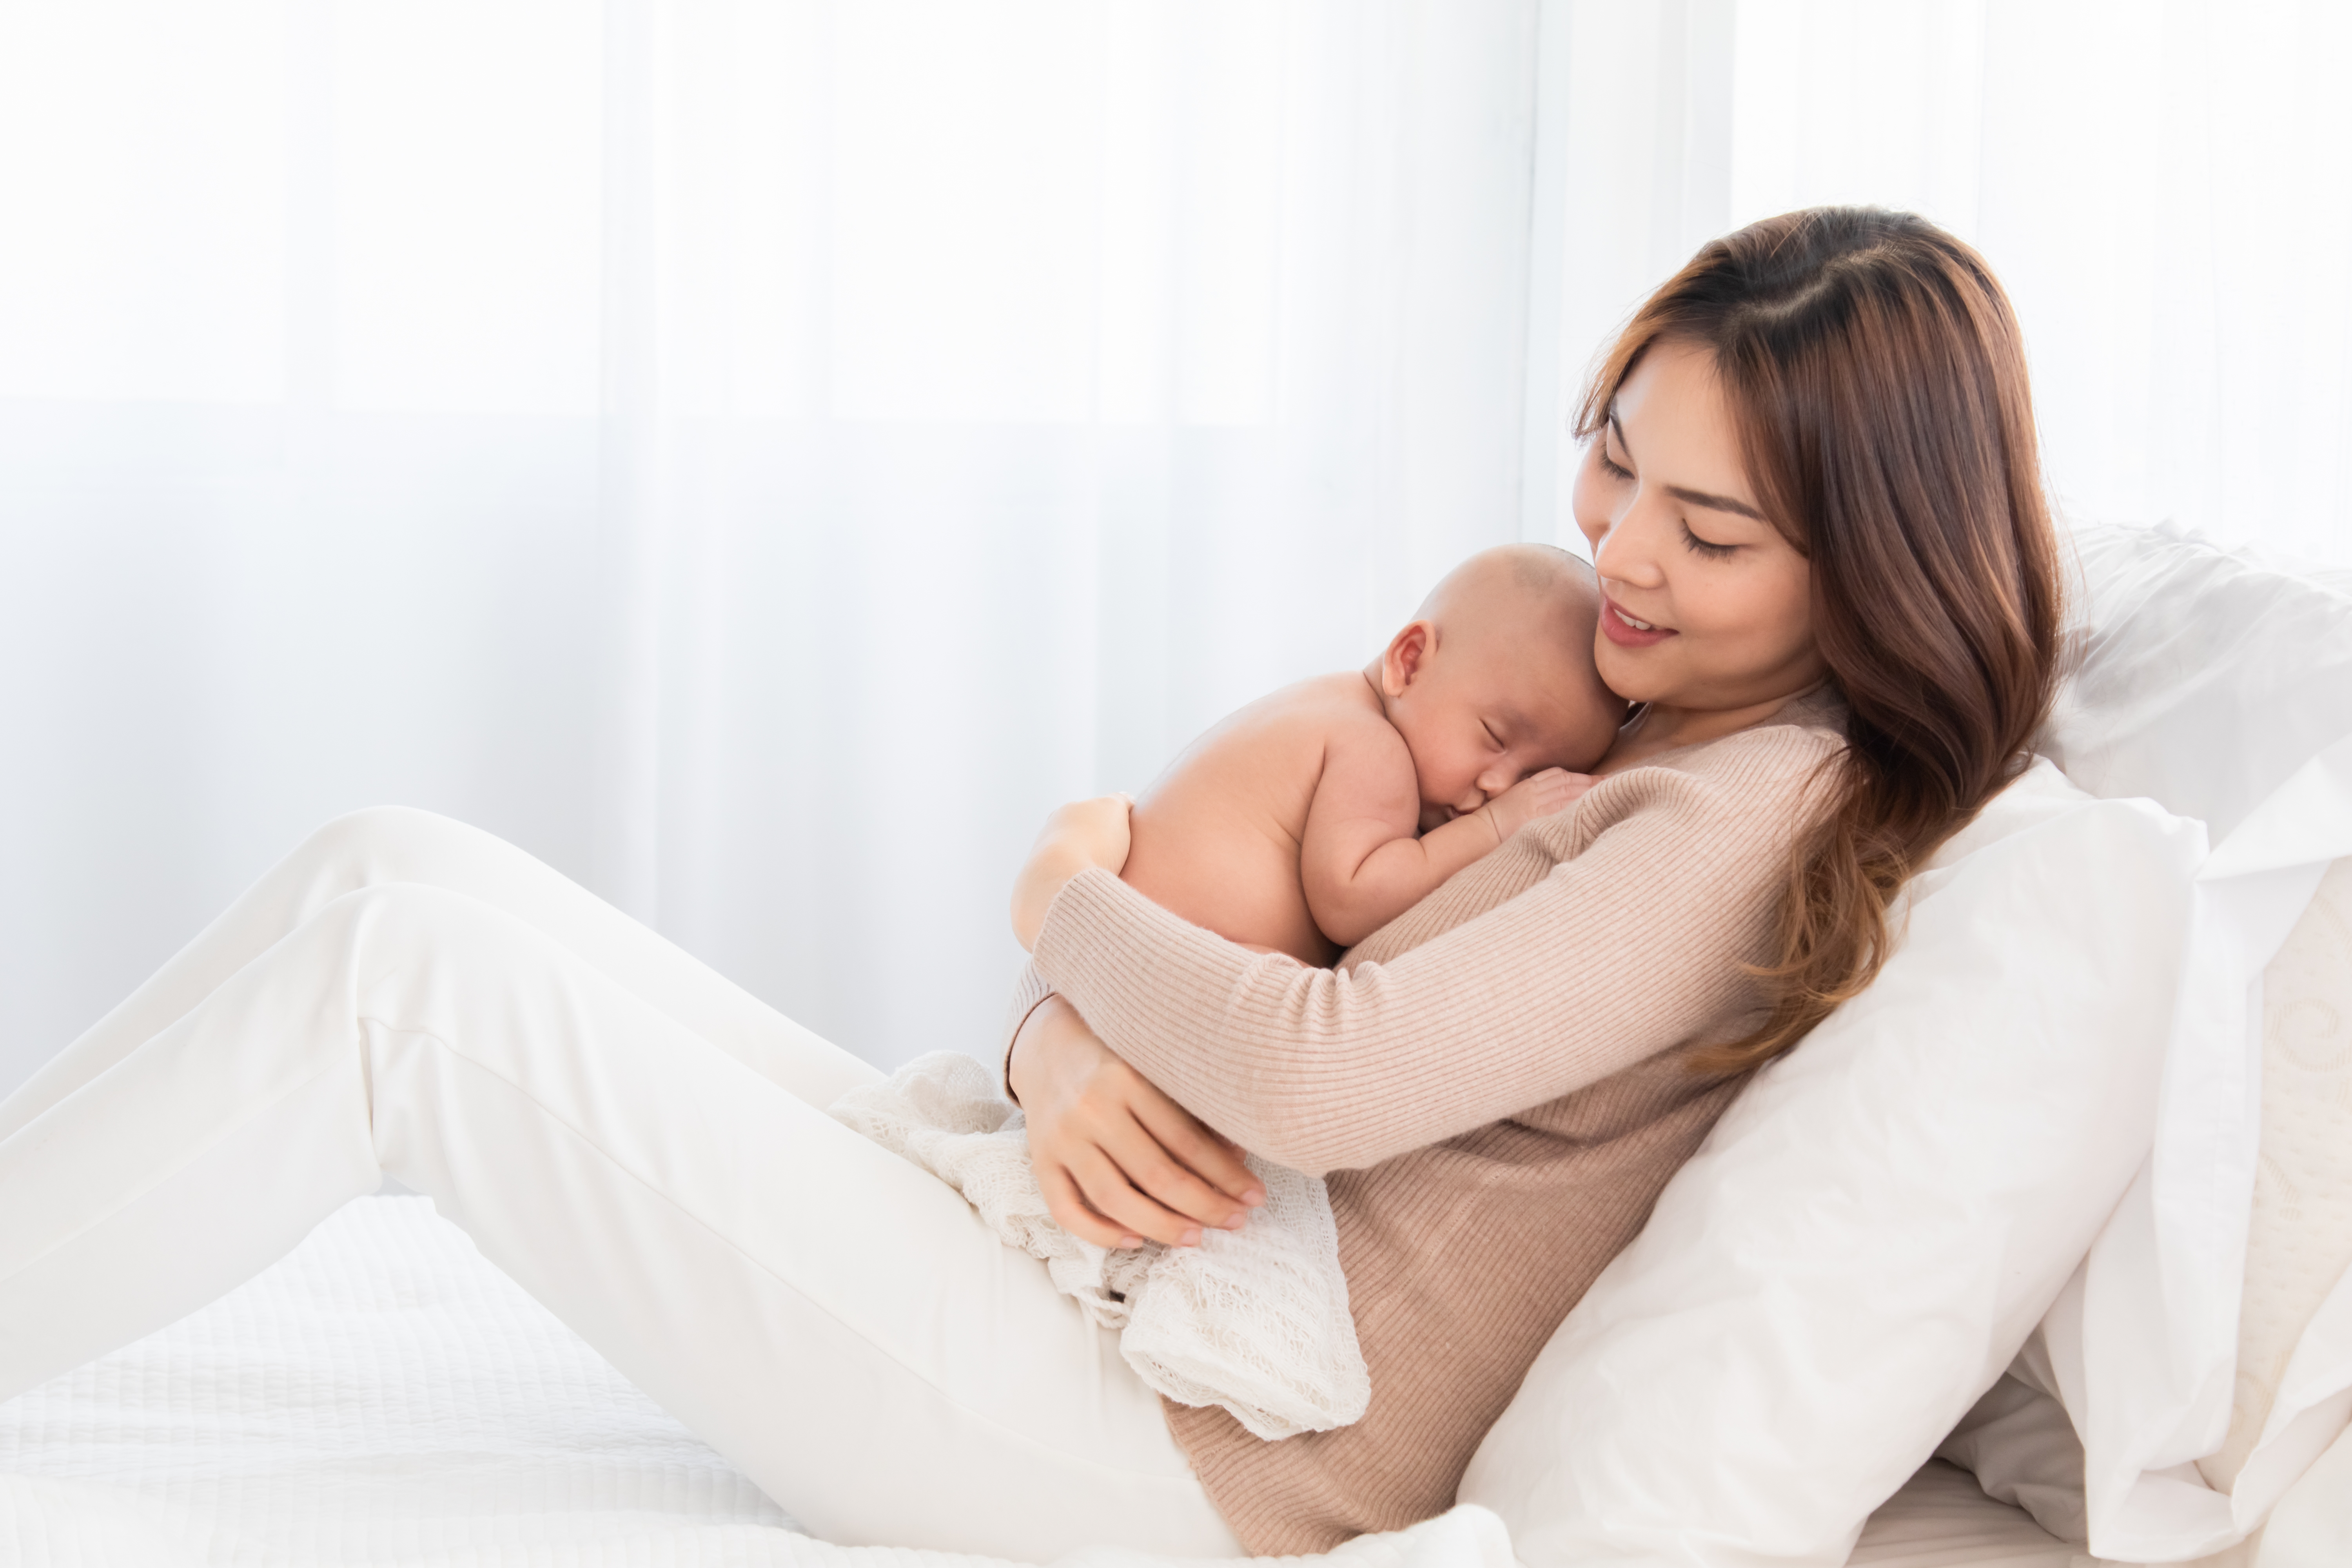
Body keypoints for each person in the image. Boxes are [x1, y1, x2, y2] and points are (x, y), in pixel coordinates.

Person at [0, 207, 2063, 1560]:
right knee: (399, 870)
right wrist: (1073, 1034)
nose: (1620, 551)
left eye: (1710, 533)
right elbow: (1268, 998)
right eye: (1615, 458)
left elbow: (1326, 1077)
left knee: (407, 985)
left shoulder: (1746, 811)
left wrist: (1060, 890)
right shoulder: (1651, 728)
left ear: (1873, 562)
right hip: (1105, 1283)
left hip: (1175, 1455)